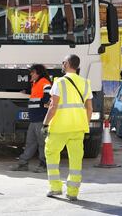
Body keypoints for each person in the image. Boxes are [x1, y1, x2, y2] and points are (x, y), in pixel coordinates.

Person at [43, 54, 93, 201]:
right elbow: (89, 108)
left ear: (66, 64)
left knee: (51, 154)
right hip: (78, 127)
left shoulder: (59, 82)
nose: (62, 64)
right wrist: (86, 125)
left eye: (63, 61)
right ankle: (73, 192)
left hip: (60, 127)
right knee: (76, 159)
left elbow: (53, 107)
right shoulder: (85, 83)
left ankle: (55, 187)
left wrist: (45, 124)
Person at [10, 64, 51, 172]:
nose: (30, 74)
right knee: (31, 142)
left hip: (41, 118)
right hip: (34, 119)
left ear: (38, 73)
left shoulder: (45, 83)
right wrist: (27, 91)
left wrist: (43, 110)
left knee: (42, 143)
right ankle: (23, 164)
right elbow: (37, 95)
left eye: (32, 72)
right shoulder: (36, 83)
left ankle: (44, 165)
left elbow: (47, 98)